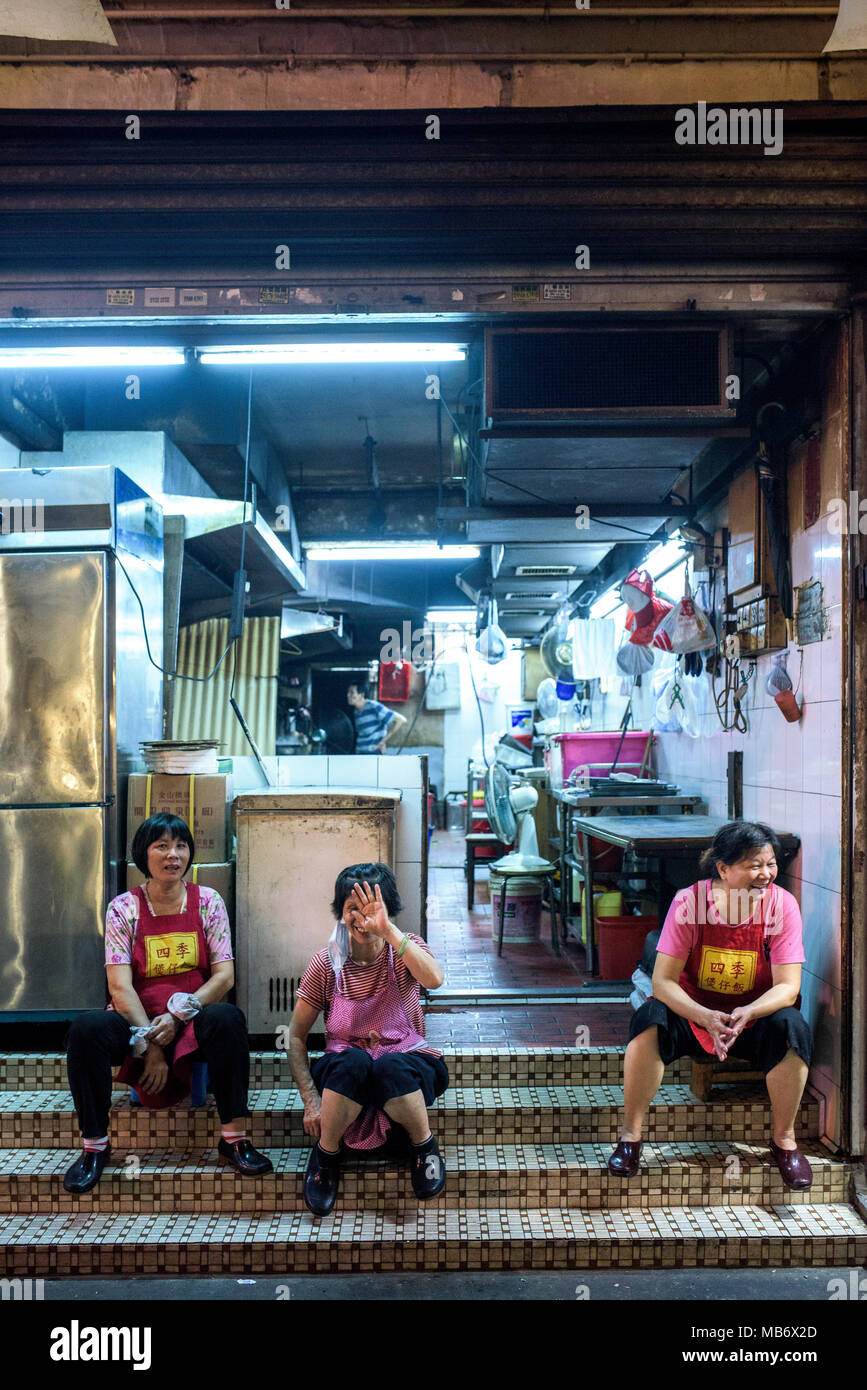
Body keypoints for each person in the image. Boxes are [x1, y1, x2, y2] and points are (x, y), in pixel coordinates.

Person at [63, 812, 272, 1193]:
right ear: (143, 855)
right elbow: (119, 987)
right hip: (136, 1019)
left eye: (180, 846)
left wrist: (178, 1015)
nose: (172, 855)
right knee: (86, 1029)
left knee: (228, 1019)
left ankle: (234, 1140)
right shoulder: (122, 908)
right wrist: (150, 1044)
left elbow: (224, 977)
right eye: (161, 846)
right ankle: (94, 1146)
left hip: (192, 1015)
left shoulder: (208, 901)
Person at [608, 819, 814, 1190]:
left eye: (770, 864)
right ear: (723, 868)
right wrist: (703, 1016)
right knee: (649, 1019)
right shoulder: (690, 902)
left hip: (752, 1016)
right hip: (694, 1011)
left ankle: (784, 1141)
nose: (766, 874)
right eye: (753, 865)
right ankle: (630, 1137)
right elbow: (663, 981)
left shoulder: (782, 905)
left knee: (793, 1027)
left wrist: (749, 1011)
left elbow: (788, 986)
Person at [288, 862, 448, 1216]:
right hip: (348, 1075)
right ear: (340, 913)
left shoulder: (407, 948)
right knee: (354, 1062)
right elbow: (296, 1037)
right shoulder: (324, 964)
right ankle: (326, 1157)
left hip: (405, 1065)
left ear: (388, 910)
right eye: (352, 909)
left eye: (372, 908)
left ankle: (425, 1148)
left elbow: (435, 979)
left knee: (389, 1065)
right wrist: (310, 1100)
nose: (362, 918)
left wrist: (388, 931)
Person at [347, 680, 407, 754]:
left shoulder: (374, 706)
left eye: (352, 692)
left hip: (374, 754)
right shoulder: (356, 711)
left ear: (361, 695)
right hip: (360, 753)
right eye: (348, 692)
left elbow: (401, 720)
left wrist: (383, 741)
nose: (348, 695)